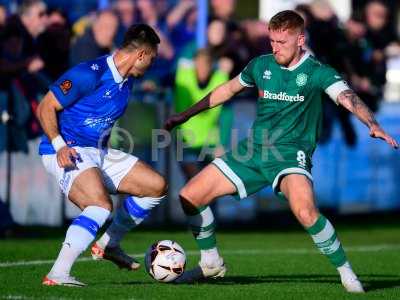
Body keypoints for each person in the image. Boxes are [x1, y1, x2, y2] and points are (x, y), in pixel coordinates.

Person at [165, 10, 398, 292]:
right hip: (252, 151)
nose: (274, 48)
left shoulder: (317, 72)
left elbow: (347, 97)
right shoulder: (261, 65)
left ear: (300, 40)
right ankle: (211, 262)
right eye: (271, 41)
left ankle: (347, 273)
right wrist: (185, 115)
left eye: (281, 42)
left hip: (290, 154)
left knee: (305, 211)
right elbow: (227, 90)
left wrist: (372, 123)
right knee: (190, 196)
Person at [37, 24, 167, 287]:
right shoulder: (89, 73)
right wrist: (60, 145)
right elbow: (45, 106)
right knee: (100, 206)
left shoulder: (127, 82)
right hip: (66, 149)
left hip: (98, 152)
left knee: (156, 186)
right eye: (151, 59)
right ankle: (58, 273)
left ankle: (109, 244)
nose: (151, 66)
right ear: (141, 55)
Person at [174, 48, 228, 180]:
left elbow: (227, 113)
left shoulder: (220, 79)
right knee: (194, 180)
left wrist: (222, 142)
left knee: (212, 184)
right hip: (186, 141)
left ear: (211, 65)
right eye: (199, 64)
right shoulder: (183, 77)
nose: (202, 69)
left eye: (206, 65)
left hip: (210, 142)